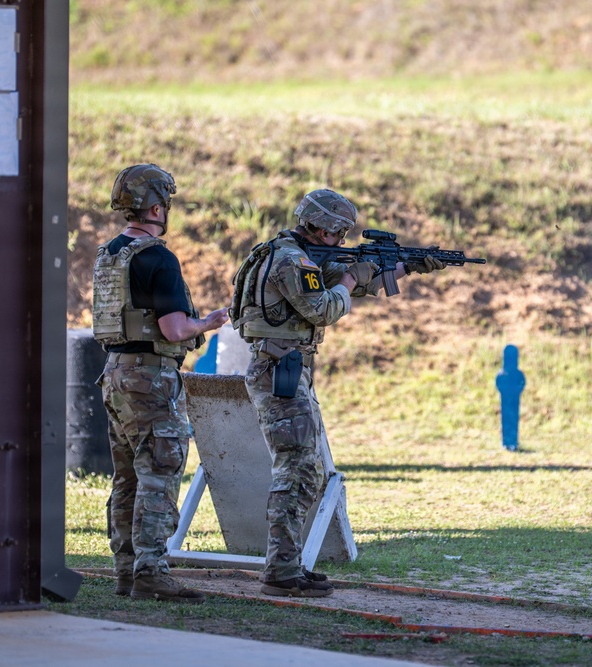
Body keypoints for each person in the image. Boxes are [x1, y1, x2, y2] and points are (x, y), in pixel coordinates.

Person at [230, 188, 446, 597]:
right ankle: (281, 571)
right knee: (296, 469)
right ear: (322, 227)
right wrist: (349, 278)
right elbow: (325, 307)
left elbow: (347, 283)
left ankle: (286, 564)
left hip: (285, 368)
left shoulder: (292, 254)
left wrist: (405, 266)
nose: (343, 240)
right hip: (280, 371)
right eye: (339, 232)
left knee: (303, 468)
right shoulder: (293, 261)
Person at [93, 164, 229, 604]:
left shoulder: (109, 254)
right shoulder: (159, 258)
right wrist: (207, 322)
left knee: (127, 478)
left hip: (115, 372)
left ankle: (126, 571)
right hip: (150, 377)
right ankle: (150, 571)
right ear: (156, 208)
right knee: (159, 472)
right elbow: (174, 329)